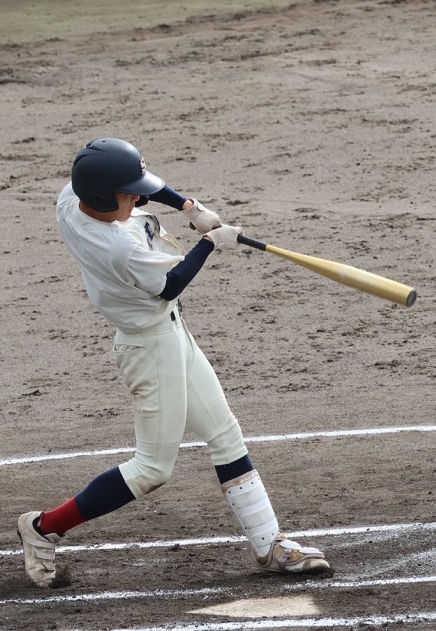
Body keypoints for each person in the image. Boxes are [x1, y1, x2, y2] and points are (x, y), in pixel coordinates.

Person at [17, 137, 331, 587]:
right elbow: (170, 285)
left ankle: (270, 544)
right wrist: (211, 241)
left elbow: (141, 189)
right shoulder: (118, 247)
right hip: (149, 347)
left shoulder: (73, 198)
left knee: (225, 434)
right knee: (152, 469)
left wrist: (188, 205)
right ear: (102, 198)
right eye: (129, 195)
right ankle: (43, 527)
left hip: (171, 332)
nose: (139, 199)